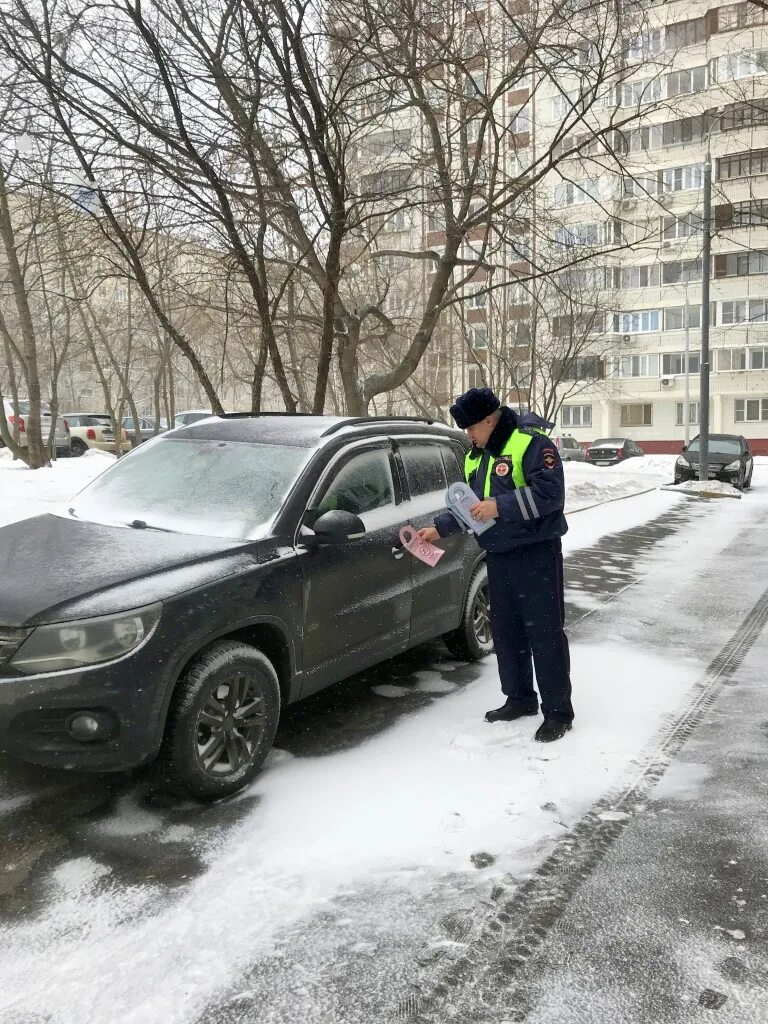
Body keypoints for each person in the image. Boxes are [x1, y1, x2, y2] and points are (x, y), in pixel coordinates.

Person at [418, 387, 574, 742]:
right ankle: (519, 698)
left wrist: (501, 506)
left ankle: (558, 712)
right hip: (499, 555)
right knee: (507, 633)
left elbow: (551, 496)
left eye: (471, 427)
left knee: (544, 634)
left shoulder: (531, 444)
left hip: (536, 554)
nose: (468, 435)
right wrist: (437, 529)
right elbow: (471, 507)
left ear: (490, 419)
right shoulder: (477, 455)